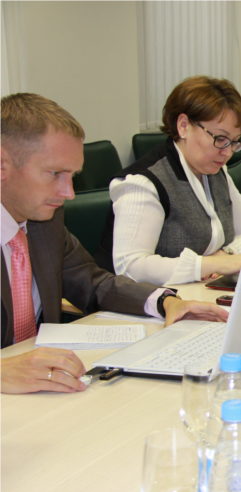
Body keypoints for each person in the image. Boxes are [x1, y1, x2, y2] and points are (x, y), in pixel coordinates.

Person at [0, 93, 229, 394]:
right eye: (55, 173)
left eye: (72, 176)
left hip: (41, 388)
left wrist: (166, 302)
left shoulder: (44, 222)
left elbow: (94, 283)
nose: (69, 193)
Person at [94, 76, 241, 285]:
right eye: (220, 139)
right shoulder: (143, 183)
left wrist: (226, 255)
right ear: (183, 126)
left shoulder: (217, 171)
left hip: (191, 293)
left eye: (234, 142)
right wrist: (209, 265)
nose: (227, 152)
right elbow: (131, 267)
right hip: (136, 301)